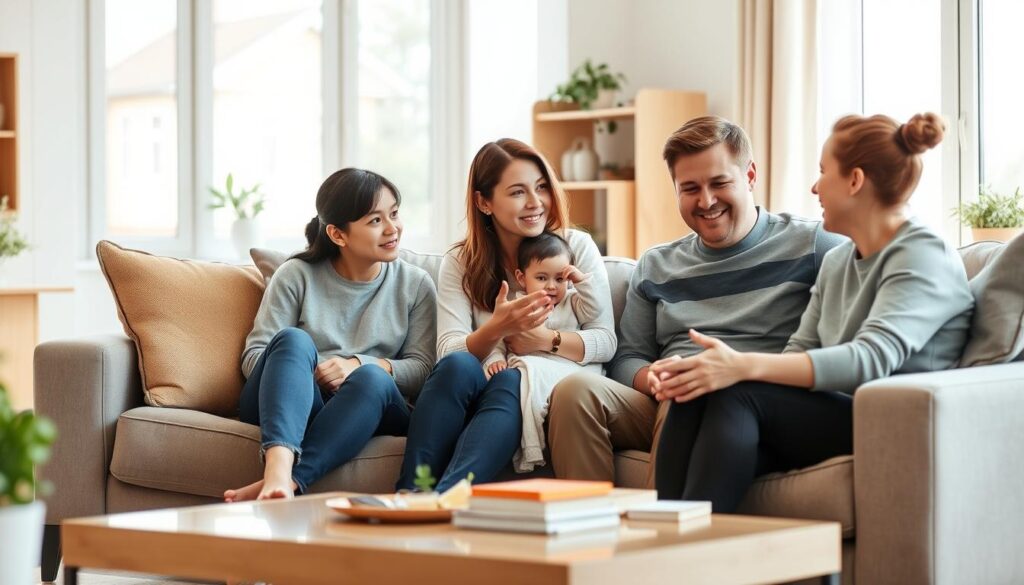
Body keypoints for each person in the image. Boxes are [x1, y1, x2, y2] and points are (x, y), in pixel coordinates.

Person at [652, 112, 974, 512]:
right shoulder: (839, 260)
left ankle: (689, 560)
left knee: (737, 392)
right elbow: (799, 350)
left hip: (894, 420)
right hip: (830, 416)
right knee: (696, 386)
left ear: (854, 181)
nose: (815, 186)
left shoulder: (922, 253)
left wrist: (741, 367)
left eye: (824, 172)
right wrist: (712, 371)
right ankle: (667, 544)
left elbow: (871, 358)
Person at [546, 116, 845, 482]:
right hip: (663, 397)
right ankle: (587, 528)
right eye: (689, 188)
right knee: (575, 391)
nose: (706, 201)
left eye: (720, 183)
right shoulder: (657, 264)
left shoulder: (814, 245)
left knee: (689, 391)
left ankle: (667, 530)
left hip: (750, 403)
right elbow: (626, 357)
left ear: (750, 176)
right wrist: (650, 377)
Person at [396, 138, 616, 492]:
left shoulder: (575, 247)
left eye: (541, 187)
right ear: (484, 202)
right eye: (517, 192)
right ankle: (410, 493)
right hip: (484, 378)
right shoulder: (462, 262)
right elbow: (448, 354)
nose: (535, 203)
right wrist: (498, 328)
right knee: (457, 366)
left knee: (512, 378)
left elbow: (606, 342)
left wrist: (544, 340)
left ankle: (448, 496)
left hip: (554, 376)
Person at [224, 168, 437, 502]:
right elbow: (254, 359)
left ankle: (290, 482)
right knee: (294, 340)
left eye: (394, 214)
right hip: (294, 403)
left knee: (372, 378)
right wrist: (310, 374)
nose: (393, 228)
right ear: (339, 235)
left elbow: (423, 370)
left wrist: (356, 365)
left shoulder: (416, 284)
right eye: (375, 220)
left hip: (366, 407)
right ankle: (277, 468)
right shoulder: (295, 274)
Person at [484, 231, 604, 473]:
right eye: (541, 277)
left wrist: (581, 282)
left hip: (563, 372)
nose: (551, 286)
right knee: (511, 380)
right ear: (521, 277)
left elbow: (595, 310)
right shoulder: (518, 306)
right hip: (526, 370)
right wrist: (496, 359)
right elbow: (497, 337)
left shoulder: (572, 302)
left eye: (559, 279)